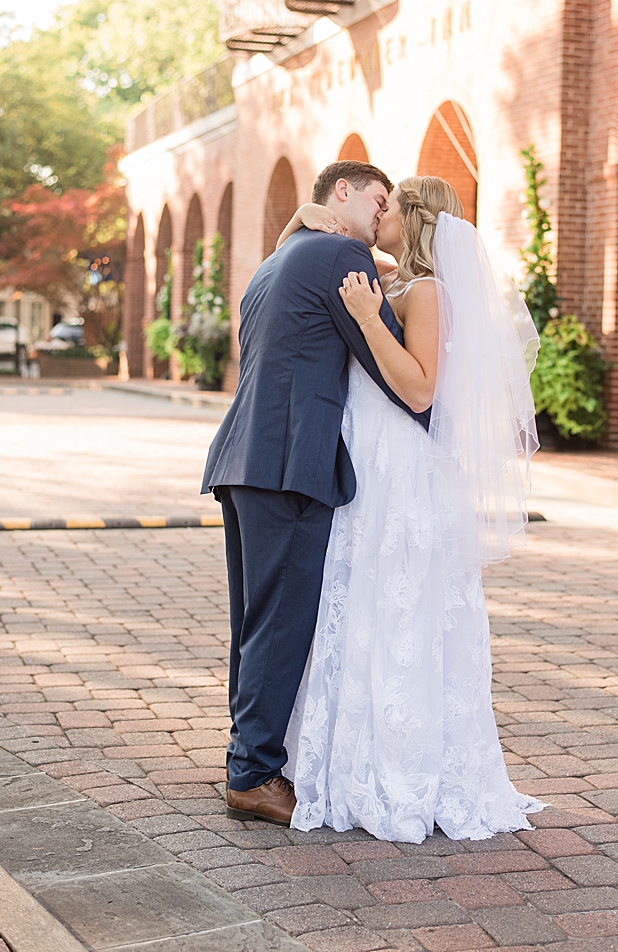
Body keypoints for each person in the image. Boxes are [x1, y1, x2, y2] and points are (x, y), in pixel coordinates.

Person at [274, 175, 544, 842]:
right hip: (368, 455)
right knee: (359, 598)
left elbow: (421, 389)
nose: (380, 210)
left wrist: (369, 320)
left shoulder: (428, 291)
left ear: (415, 218)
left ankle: (400, 770)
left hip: (399, 464)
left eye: (390, 205)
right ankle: (344, 757)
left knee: (395, 607)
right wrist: (306, 214)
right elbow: (312, 246)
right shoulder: (396, 279)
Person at [203, 161, 427, 826]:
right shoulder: (339, 252)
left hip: (243, 456)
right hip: (291, 463)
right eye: (377, 201)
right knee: (281, 621)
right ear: (342, 194)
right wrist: (436, 421)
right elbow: (396, 368)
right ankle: (251, 775)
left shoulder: (279, 258)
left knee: (253, 617)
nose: (382, 217)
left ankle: (245, 753)